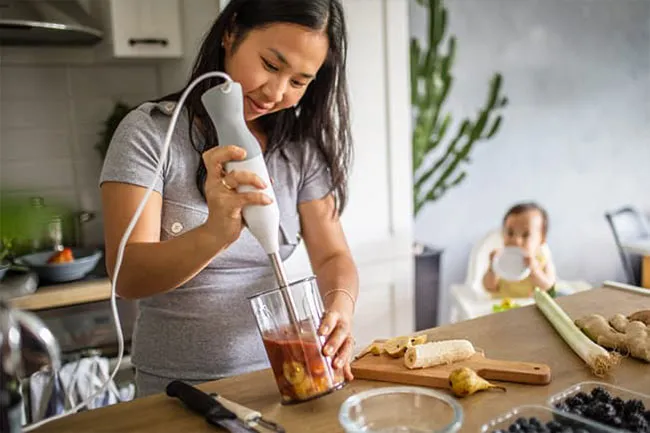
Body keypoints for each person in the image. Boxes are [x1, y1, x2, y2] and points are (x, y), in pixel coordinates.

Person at [99, 0, 358, 397]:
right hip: (178, 393)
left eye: (299, 81)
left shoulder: (299, 150)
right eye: (271, 65)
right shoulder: (149, 133)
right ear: (231, 32)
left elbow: (332, 256)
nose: (275, 92)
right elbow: (127, 276)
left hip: (283, 382)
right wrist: (216, 232)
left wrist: (339, 308)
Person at [483, 202, 556, 298]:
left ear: (542, 240)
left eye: (525, 235)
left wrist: (535, 271)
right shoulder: (501, 259)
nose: (516, 240)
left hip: (529, 309)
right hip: (501, 307)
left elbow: (548, 286)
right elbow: (489, 287)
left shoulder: (542, 260)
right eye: (510, 233)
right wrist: (492, 268)